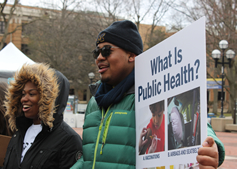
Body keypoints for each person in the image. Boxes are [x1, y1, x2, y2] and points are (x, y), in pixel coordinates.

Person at [71, 20, 225, 169]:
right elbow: (88, 158)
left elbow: (203, 128)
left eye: (106, 50)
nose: (99, 57)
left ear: (131, 56)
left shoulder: (149, 91)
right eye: (96, 52)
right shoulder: (94, 102)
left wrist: (212, 148)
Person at [3, 63, 82, 169]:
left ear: (50, 98)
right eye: (23, 94)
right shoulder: (20, 132)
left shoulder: (69, 140)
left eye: (31, 94)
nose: (24, 99)